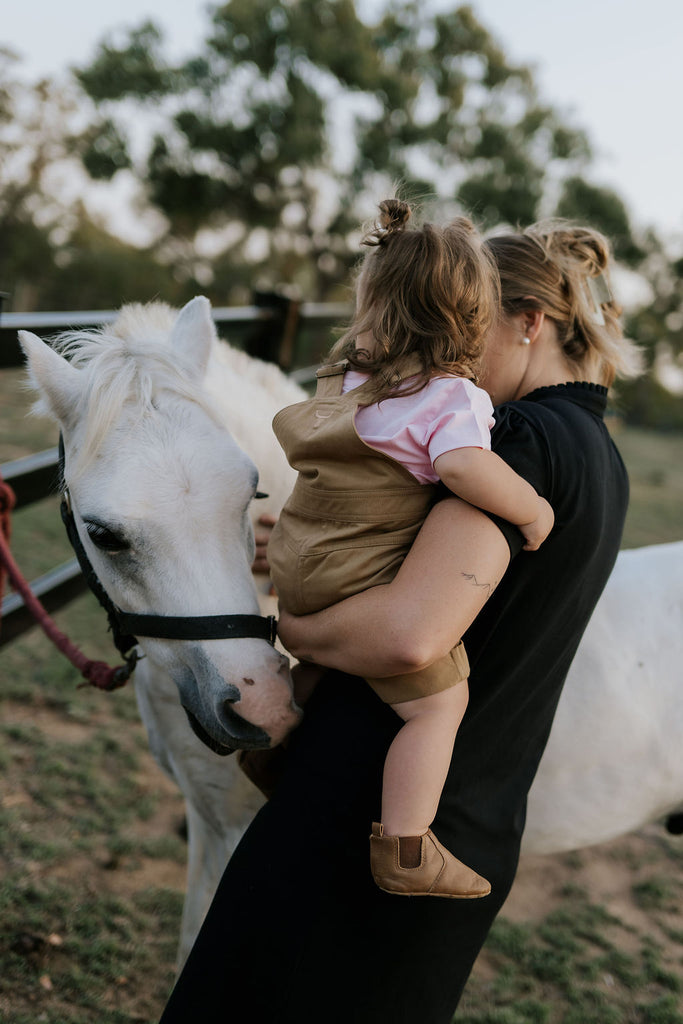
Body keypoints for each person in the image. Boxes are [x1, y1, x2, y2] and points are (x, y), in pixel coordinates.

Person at [159, 219, 641, 1024]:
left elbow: (406, 636)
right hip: (464, 830)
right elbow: (453, 583)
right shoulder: (599, 455)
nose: (444, 350)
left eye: (468, 326)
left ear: (530, 323)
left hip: (358, 828)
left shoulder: (513, 439)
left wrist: (297, 630)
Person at [254, 198, 553, 900]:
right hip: (359, 578)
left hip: (300, 566)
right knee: (436, 707)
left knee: (324, 670)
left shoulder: (348, 381)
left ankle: (271, 747)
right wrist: (532, 509)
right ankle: (407, 849)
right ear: (475, 318)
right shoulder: (452, 399)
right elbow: (461, 469)